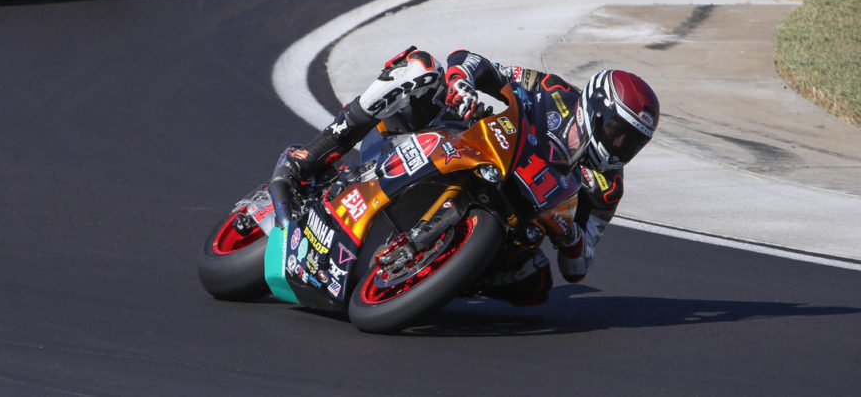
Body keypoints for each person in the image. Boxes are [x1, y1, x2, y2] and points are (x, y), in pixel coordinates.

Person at [283, 46, 660, 305]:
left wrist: (570, 236)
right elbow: (481, 65)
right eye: (617, 131)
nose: (621, 146)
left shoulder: (607, 187)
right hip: (463, 143)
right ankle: (312, 156)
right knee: (421, 68)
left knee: (535, 285)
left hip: (512, 216)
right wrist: (462, 83)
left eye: (633, 142)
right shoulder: (555, 92)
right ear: (595, 109)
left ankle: (444, 275)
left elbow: (580, 266)